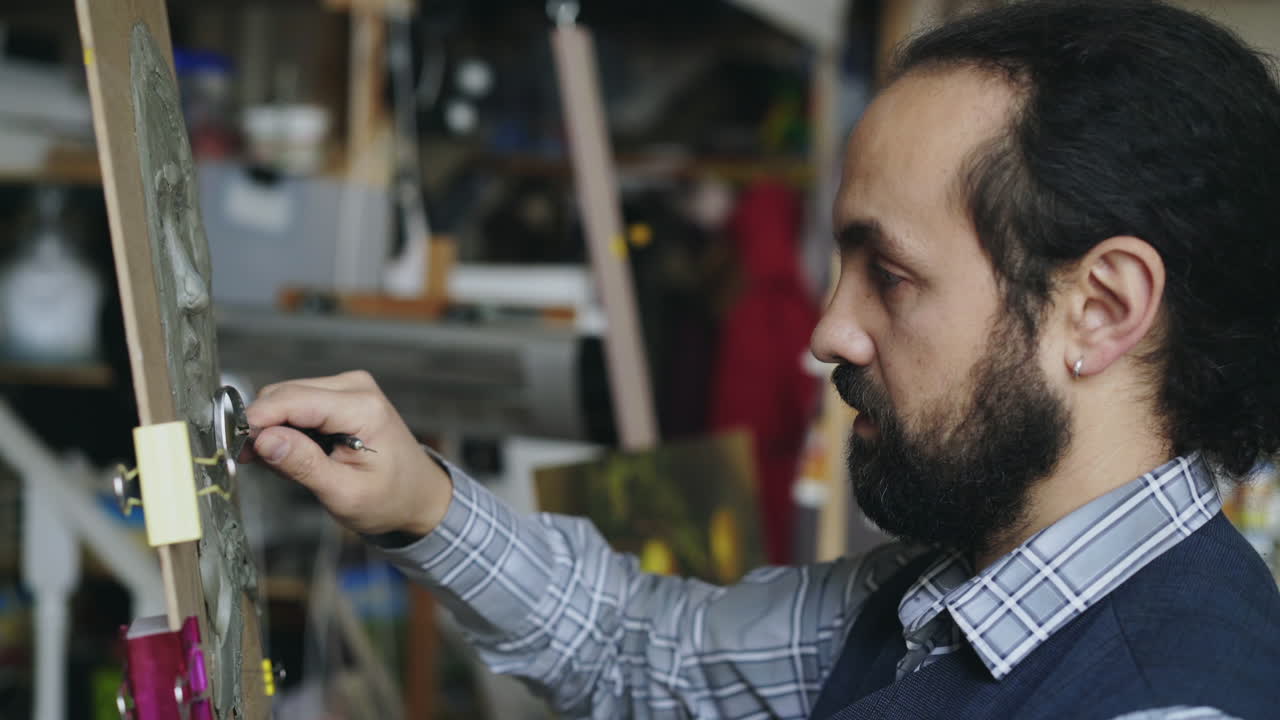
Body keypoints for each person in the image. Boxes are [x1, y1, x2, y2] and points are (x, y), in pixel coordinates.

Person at [244, 1, 1280, 717]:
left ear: (1098, 310)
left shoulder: (1175, 700)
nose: (826, 330)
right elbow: (634, 651)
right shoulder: (931, 604)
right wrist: (418, 502)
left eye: (890, 272)